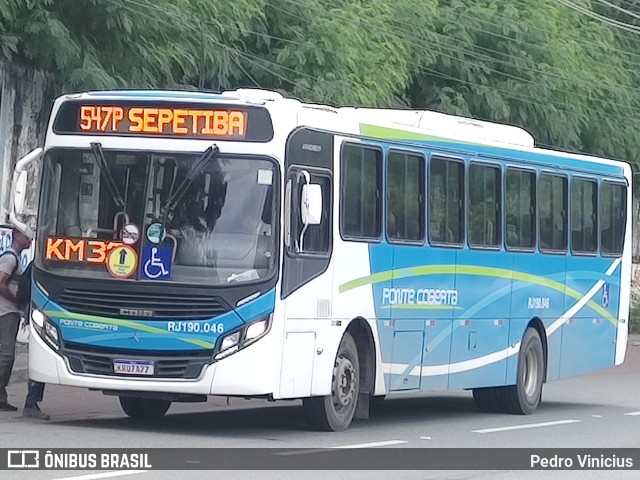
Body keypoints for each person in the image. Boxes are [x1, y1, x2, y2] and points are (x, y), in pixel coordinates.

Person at [0, 223, 32, 412]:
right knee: (7, 355)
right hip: (6, 312)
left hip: (9, 311)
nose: (30, 240)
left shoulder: (15, 258)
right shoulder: (10, 259)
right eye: (27, 236)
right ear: (18, 236)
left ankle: (1, 398)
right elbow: (1, 283)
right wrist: (17, 301)